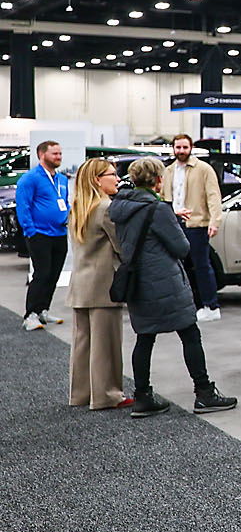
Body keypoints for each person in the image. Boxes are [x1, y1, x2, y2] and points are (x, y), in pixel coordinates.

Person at [109, 157, 236, 418]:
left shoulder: (120, 207)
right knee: (190, 334)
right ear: (158, 179)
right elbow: (182, 247)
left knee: (144, 339)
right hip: (165, 282)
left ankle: (142, 397)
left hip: (138, 283)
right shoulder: (158, 210)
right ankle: (204, 393)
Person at [65, 158, 132, 410]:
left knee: (82, 343)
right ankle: (107, 395)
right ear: (97, 180)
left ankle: (81, 394)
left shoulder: (78, 207)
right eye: (112, 175)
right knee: (106, 345)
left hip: (80, 284)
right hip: (103, 284)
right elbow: (122, 247)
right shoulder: (106, 208)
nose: (117, 179)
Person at [161, 134, 224, 323]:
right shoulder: (168, 171)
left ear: (191, 148)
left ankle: (211, 305)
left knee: (202, 266)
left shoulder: (204, 169)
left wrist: (215, 221)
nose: (181, 151)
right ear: (173, 148)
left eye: (184, 147)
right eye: (178, 147)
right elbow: (164, 197)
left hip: (197, 224)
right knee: (178, 268)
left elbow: (213, 196)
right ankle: (186, 305)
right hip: (175, 223)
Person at [17, 139, 71, 330]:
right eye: (54, 154)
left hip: (60, 233)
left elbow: (63, 201)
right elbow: (23, 207)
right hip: (39, 234)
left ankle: (42, 310)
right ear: (42, 155)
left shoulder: (62, 179)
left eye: (60, 154)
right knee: (42, 273)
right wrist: (30, 231)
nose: (59, 157)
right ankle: (30, 314)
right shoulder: (30, 178)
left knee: (54, 274)